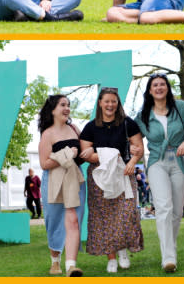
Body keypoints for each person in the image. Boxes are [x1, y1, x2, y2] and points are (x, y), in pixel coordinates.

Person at [133, 72, 184, 273]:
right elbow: (133, 135)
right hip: (157, 162)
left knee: (177, 211)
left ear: (167, 88)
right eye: (155, 85)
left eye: (163, 84)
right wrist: (135, 149)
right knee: (163, 207)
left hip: (180, 161)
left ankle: (170, 246)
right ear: (150, 90)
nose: (159, 87)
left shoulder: (181, 108)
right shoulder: (143, 115)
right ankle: (168, 257)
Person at [79, 87, 145, 273]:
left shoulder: (128, 123)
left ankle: (123, 250)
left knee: (126, 214)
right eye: (106, 101)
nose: (110, 105)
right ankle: (111, 258)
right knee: (104, 218)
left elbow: (138, 147)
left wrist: (132, 161)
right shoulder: (91, 127)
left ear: (118, 103)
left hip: (124, 173)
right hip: (99, 177)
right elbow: (86, 155)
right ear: (100, 103)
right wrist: (109, 155)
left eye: (113, 101)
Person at [37, 94, 86, 277]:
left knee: (74, 220)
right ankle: (55, 261)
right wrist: (67, 154)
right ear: (53, 110)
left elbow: (81, 154)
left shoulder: (74, 128)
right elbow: (44, 163)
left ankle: (71, 265)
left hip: (75, 179)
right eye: (62, 105)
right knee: (55, 221)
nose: (67, 108)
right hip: (53, 181)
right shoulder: (47, 134)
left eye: (68, 105)